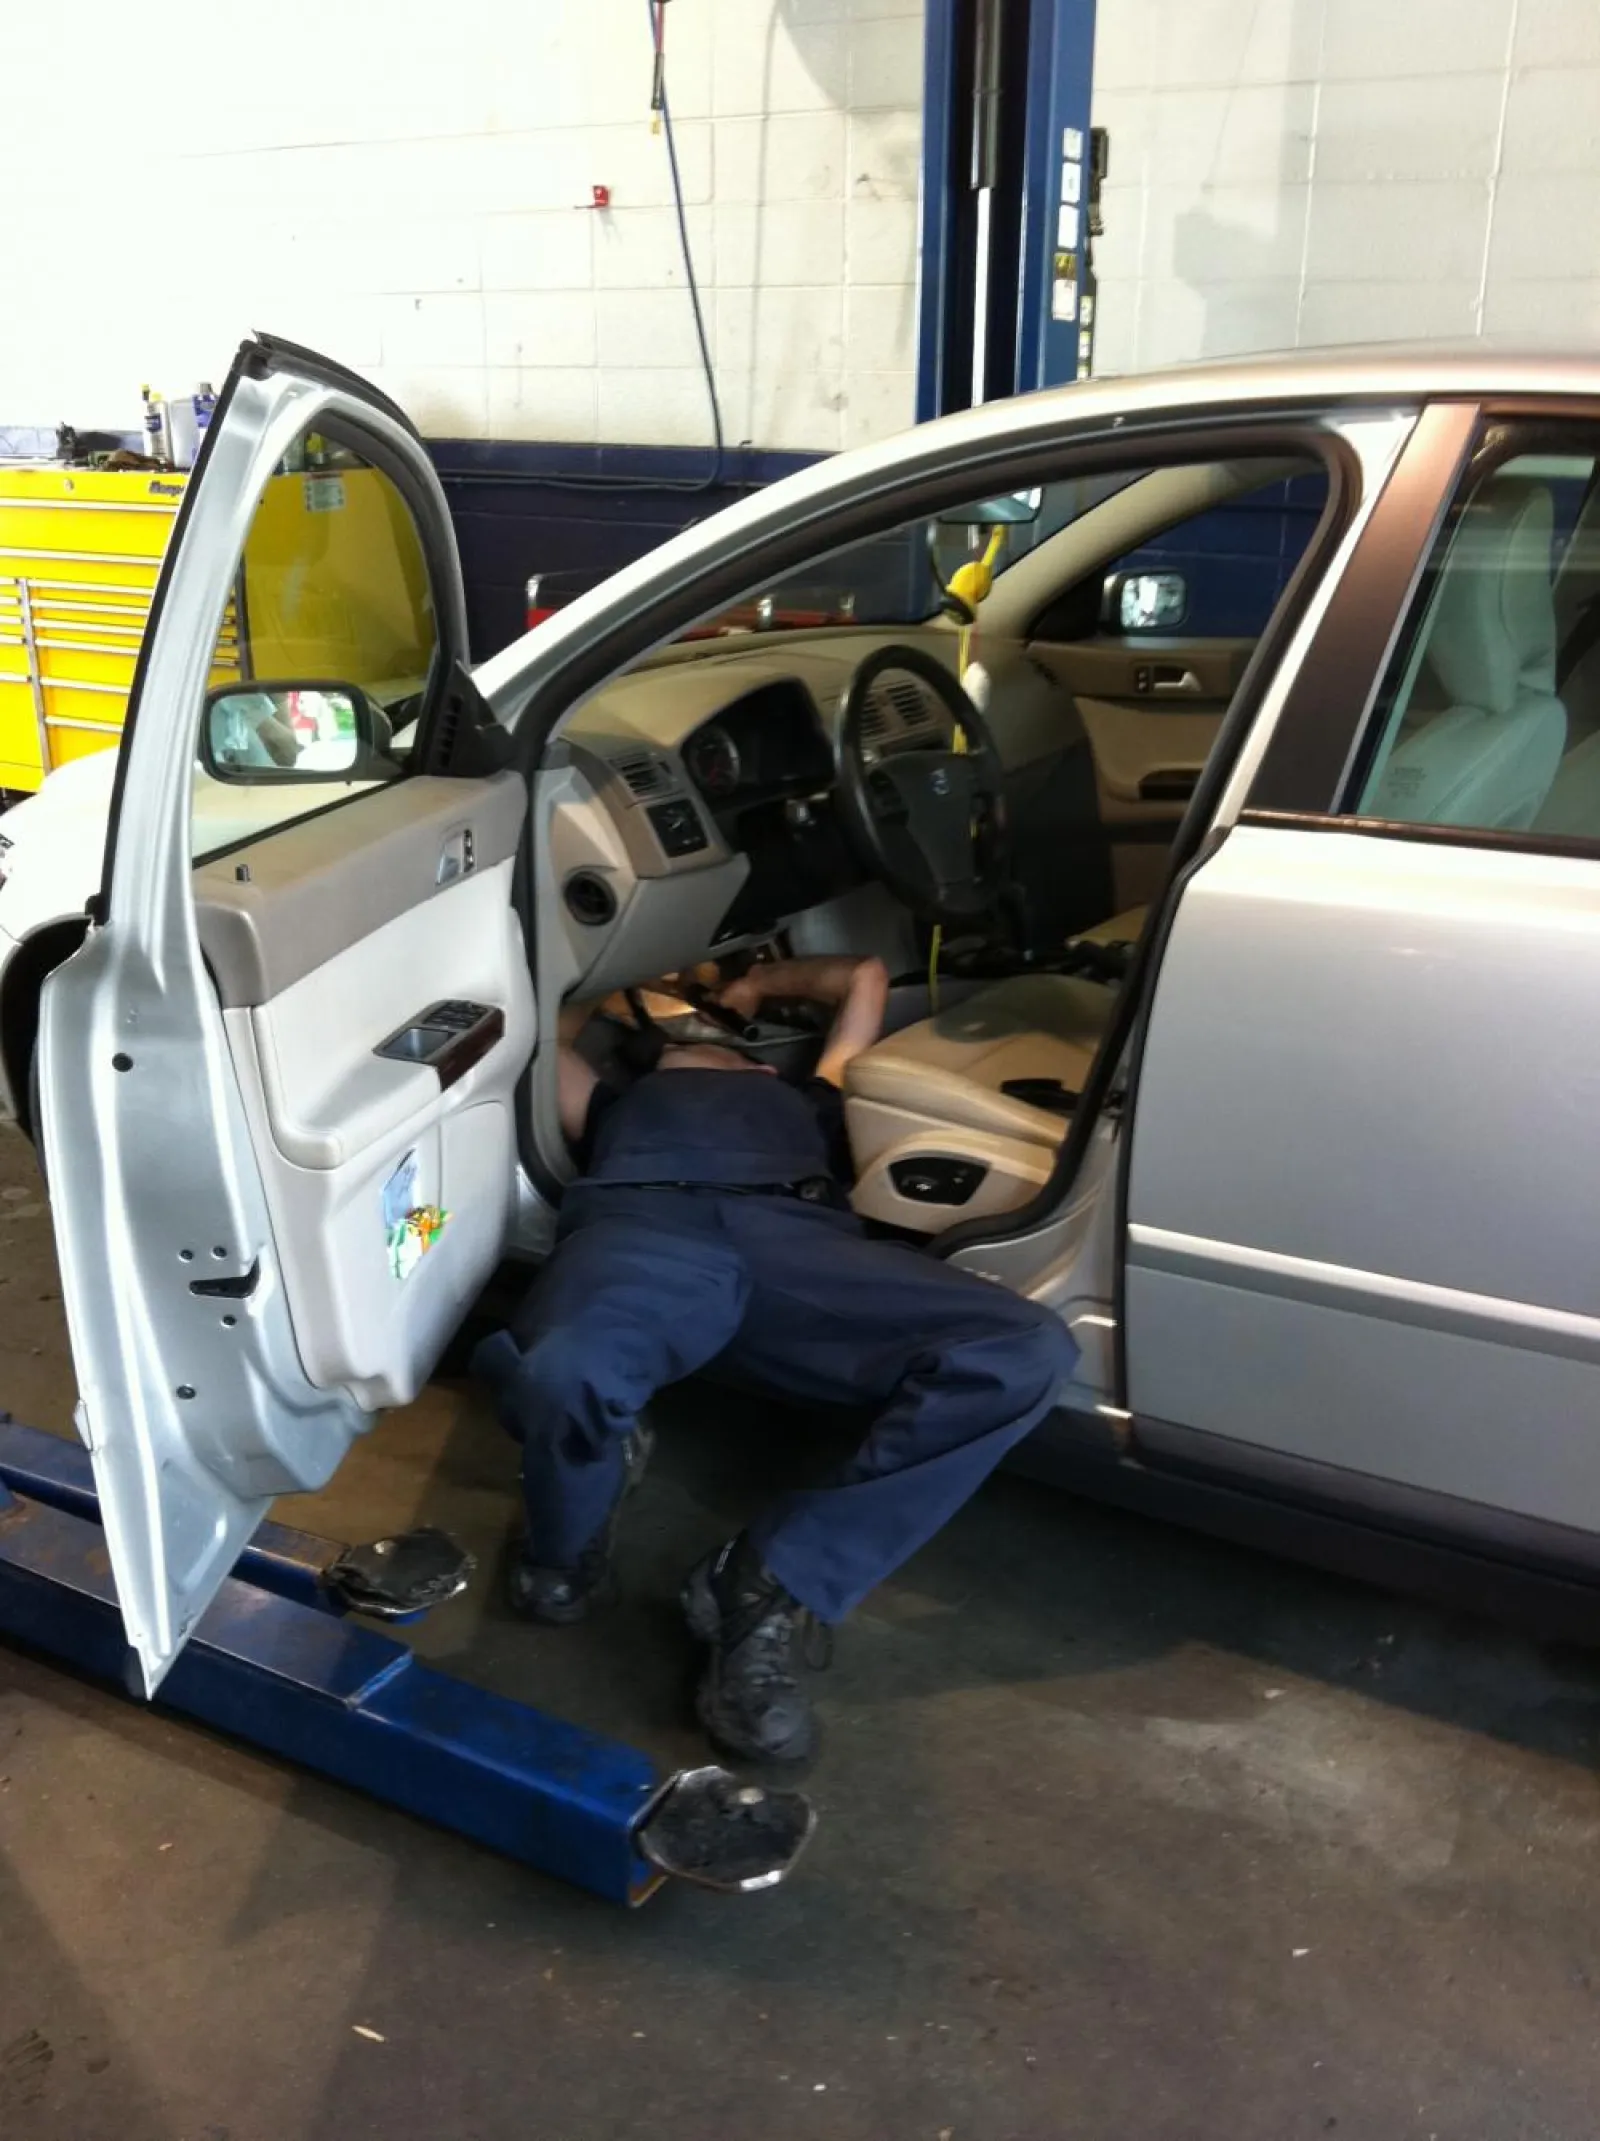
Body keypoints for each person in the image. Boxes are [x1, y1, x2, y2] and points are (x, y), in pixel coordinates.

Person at [470, 955, 1077, 1764]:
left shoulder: (811, 1094)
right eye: (678, 1045)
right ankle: (567, 1542)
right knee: (562, 1372)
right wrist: (613, 975)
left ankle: (766, 1580)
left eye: (721, 1044)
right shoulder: (620, 1098)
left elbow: (863, 976)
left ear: (759, 1061)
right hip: (650, 1231)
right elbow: (543, 1031)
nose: (697, 1047)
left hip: (802, 1247)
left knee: (1025, 1348)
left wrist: (752, 986)